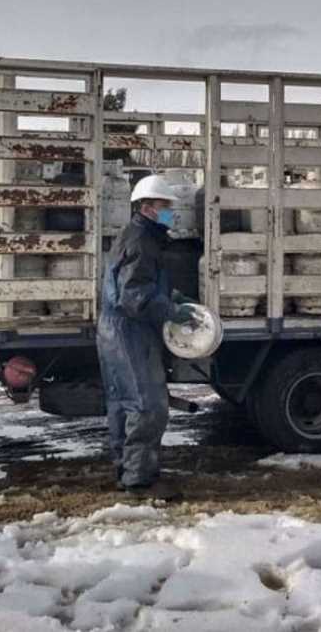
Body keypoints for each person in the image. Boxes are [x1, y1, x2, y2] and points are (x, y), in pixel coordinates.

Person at [97, 174, 197, 498]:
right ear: (147, 207)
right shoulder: (142, 240)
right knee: (148, 405)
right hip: (129, 329)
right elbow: (134, 295)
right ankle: (140, 482)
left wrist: (172, 296)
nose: (170, 211)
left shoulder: (140, 235)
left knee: (123, 403)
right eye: (165, 205)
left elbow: (140, 283)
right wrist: (170, 310)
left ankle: (125, 472)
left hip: (116, 328)